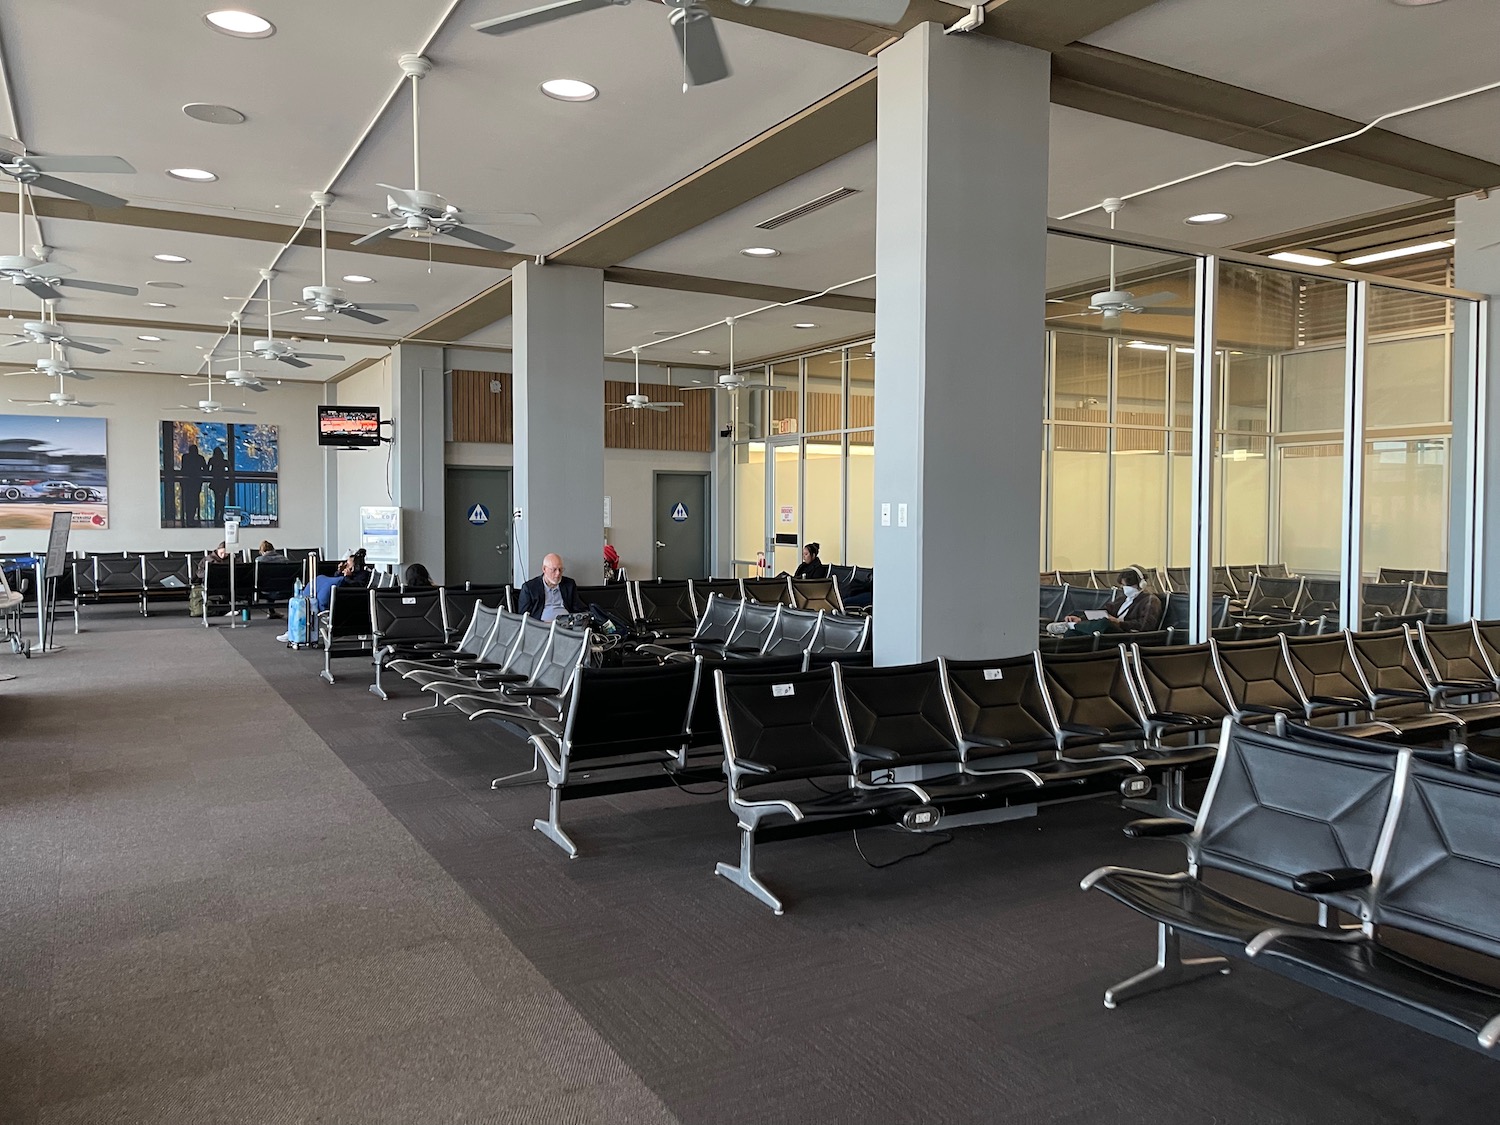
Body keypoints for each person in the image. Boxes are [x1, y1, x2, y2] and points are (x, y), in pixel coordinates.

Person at [1064, 565, 1162, 633]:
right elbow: (1105, 610)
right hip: (1113, 631)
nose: (1124, 588)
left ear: (1141, 584)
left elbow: (1146, 626)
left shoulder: (1150, 600)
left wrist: (1120, 623)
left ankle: (1073, 626)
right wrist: (1081, 619)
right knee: (1072, 634)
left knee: (1104, 623)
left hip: (1128, 634)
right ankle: (1074, 626)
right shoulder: (1124, 599)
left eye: (1126, 585)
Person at [518, 553, 587, 622]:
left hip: (567, 626)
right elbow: (523, 616)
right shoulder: (530, 588)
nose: (558, 573)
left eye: (560, 569)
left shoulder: (569, 584)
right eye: (554, 570)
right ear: (544, 569)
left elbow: (579, 608)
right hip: (541, 626)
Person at [180, 441, 207, 526]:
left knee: (187, 499)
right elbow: (205, 469)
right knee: (195, 499)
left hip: (187, 481)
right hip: (196, 481)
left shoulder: (185, 457)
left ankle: (188, 518)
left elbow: (183, 468)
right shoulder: (200, 458)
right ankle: (193, 517)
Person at [208, 445, 230, 524]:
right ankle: (221, 517)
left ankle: (216, 517)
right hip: (223, 483)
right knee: (222, 500)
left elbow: (207, 470)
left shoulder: (212, 460)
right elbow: (230, 471)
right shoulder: (225, 461)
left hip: (215, 482)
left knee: (217, 499)